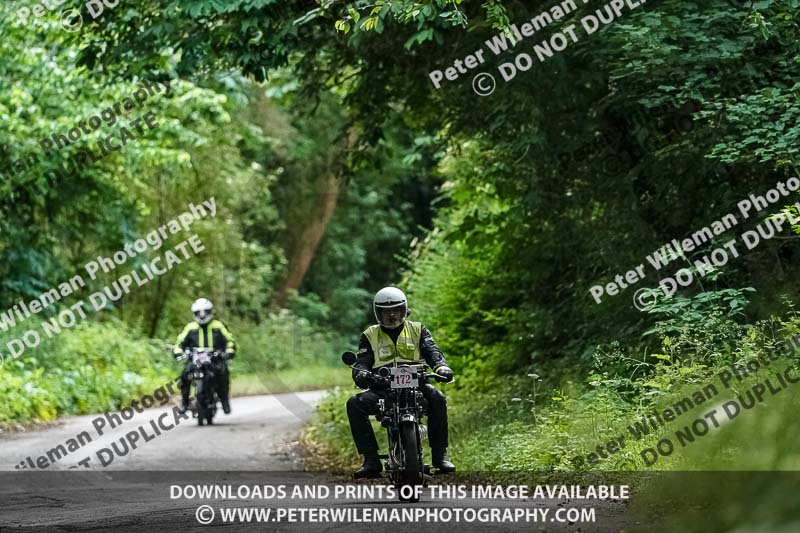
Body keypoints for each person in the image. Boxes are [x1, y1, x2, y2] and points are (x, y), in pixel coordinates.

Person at [346, 286, 456, 478]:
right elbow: (363, 361)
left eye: (395, 310)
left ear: (403, 310)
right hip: (383, 388)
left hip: (417, 385)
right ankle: (371, 460)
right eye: (386, 311)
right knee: (355, 404)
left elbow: (432, 352)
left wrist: (441, 367)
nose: (391, 315)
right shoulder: (369, 334)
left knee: (438, 397)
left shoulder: (418, 329)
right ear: (378, 313)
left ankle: (440, 456)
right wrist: (361, 374)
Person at [173, 298, 237, 414]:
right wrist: (178, 352)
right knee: (185, 375)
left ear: (210, 311)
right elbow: (179, 343)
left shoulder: (218, 326)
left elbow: (229, 340)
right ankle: (185, 402)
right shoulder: (190, 327)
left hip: (215, 358)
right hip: (195, 359)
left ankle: (224, 401)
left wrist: (228, 351)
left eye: (205, 312)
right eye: (199, 313)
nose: (202, 315)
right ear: (194, 313)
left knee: (223, 374)